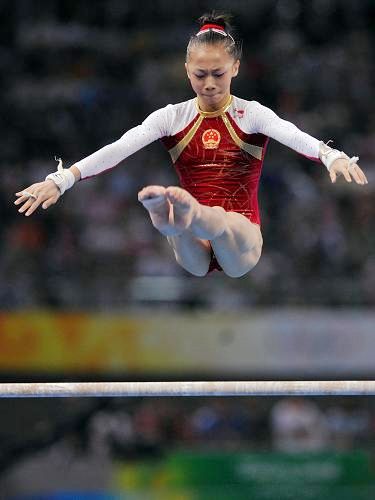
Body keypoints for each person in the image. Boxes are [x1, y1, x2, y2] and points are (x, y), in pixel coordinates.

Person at [14, 13, 368, 278]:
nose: (210, 83)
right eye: (200, 75)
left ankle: (183, 214)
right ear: (186, 71)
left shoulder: (251, 114)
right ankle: (172, 217)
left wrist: (330, 155)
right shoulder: (171, 117)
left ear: (236, 69)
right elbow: (119, 148)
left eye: (219, 74)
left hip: (241, 235)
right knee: (184, 236)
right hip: (194, 248)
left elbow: (291, 132)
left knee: (219, 222)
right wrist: (62, 180)